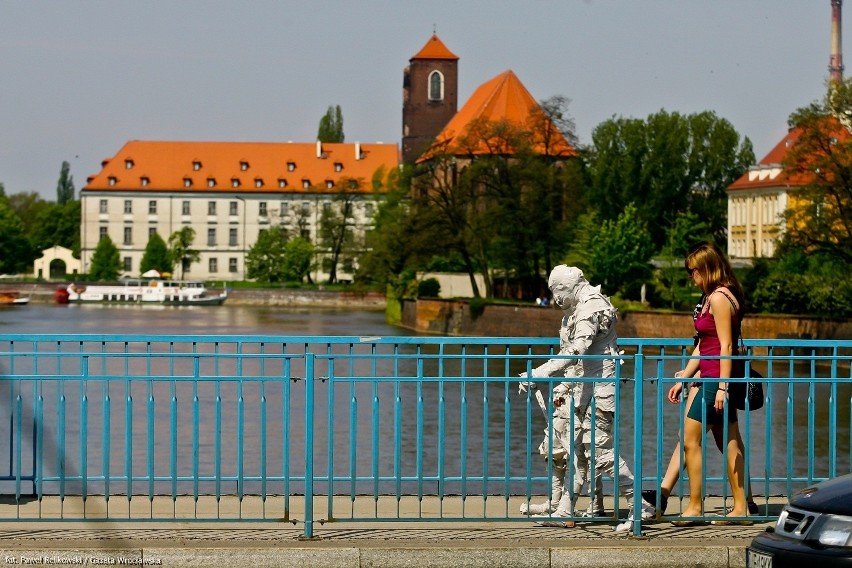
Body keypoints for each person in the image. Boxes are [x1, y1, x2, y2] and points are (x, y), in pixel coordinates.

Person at [519, 265, 655, 532]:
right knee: (576, 450)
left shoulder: (591, 307)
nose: (556, 299)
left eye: (557, 291)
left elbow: (576, 350)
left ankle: (640, 506)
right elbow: (578, 360)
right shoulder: (579, 308)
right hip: (583, 389)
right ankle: (564, 510)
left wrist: (540, 372)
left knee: (600, 452)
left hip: (600, 392)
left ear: (568, 286)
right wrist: (562, 387)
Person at [668, 242, 751, 526]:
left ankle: (694, 507)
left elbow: (726, 344)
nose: (691, 277)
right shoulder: (715, 295)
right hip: (712, 377)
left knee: (690, 439)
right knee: (729, 441)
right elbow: (705, 345)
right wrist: (687, 375)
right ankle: (741, 508)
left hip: (715, 379)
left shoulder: (718, 298)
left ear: (705, 269)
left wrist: (722, 386)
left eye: (693, 271)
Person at [518, 366, 605, 523]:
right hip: (569, 395)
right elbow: (567, 356)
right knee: (554, 449)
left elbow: (580, 356)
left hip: (588, 395)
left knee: (588, 454)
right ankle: (556, 503)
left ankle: (592, 507)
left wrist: (539, 374)